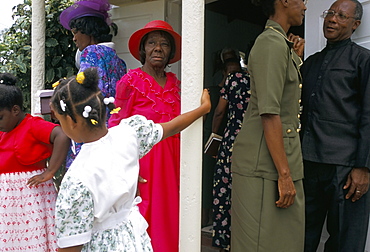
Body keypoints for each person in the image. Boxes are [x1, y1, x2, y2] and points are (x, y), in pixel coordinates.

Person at [50, 67, 211, 251]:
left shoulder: (77, 179)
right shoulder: (130, 133)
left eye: (60, 121)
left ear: (72, 121)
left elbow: (71, 246)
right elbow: (171, 127)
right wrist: (203, 109)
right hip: (135, 239)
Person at [230, 0, 307, 251]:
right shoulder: (270, 43)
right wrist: (284, 176)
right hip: (265, 164)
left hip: (277, 159)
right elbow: (269, 112)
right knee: (261, 244)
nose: (305, 7)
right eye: (302, 0)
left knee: (283, 241)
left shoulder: (280, 44)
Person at [300, 0, 370, 251]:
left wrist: (363, 167)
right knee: (302, 235)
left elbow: (368, 116)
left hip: (346, 167)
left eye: (341, 16)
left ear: (355, 25)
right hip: (309, 163)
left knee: (345, 240)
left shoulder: (363, 60)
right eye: (330, 13)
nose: (332, 19)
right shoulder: (311, 63)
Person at [108, 20, 181, 252]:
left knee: (174, 219)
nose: (158, 48)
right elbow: (115, 126)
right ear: (143, 50)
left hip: (175, 164)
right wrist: (126, 170)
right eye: (151, 43)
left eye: (164, 44)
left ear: (171, 52)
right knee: (145, 221)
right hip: (144, 167)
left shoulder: (177, 86)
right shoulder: (129, 82)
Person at [0, 73, 70, 251]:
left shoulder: (32, 125)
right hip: (7, 201)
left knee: (32, 241)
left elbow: (61, 135)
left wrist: (50, 171)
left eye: (0, 117)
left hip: (32, 197)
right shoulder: (4, 129)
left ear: (15, 110)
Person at [60, 0, 127, 168]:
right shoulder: (120, 62)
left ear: (89, 31)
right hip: (114, 129)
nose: (74, 38)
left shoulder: (91, 52)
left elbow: (83, 92)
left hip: (91, 128)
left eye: (76, 32)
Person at [211, 54, 250, 251]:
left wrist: (214, 134)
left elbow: (219, 111)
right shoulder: (258, 79)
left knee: (224, 191)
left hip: (232, 140)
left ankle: (223, 241)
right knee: (246, 193)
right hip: (254, 142)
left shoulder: (234, 80)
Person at [201, 48, 238, 228]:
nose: (232, 76)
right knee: (206, 178)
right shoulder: (211, 91)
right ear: (223, 72)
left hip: (228, 142)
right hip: (212, 141)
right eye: (229, 72)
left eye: (235, 72)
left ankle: (219, 221)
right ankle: (203, 220)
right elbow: (208, 117)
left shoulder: (237, 93)